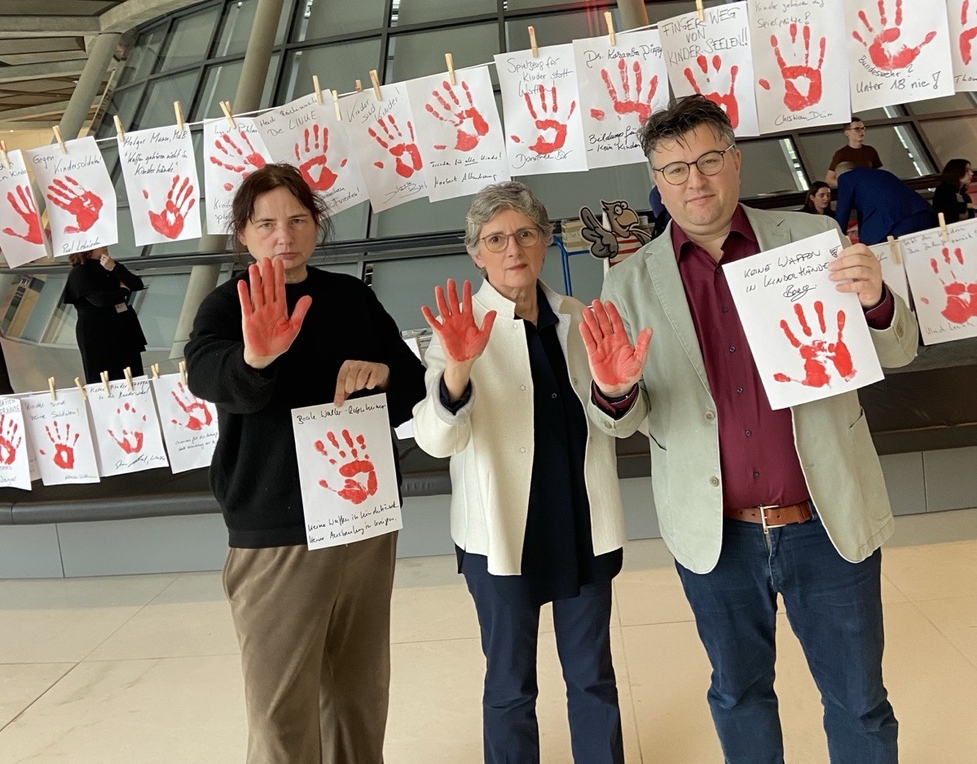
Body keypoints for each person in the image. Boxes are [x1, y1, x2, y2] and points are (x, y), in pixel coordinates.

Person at [580, 95, 917, 764]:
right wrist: (614, 391)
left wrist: (876, 300)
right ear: (656, 178)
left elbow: (899, 350)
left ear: (734, 161)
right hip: (715, 532)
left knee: (859, 701)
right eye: (673, 169)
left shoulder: (809, 242)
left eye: (708, 159)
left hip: (827, 518)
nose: (694, 181)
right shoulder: (627, 284)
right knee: (737, 695)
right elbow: (620, 421)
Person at [185, 164, 425, 764]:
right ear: (242, 234)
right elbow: (207, 375)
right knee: (281, 712)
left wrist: (386, 374)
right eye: (265, 223)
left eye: (296, 219)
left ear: (316, 225)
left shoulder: (350, 297)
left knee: (358, 696)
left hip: (363, 519)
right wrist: (256, 357)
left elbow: (414, 384)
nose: (283, 235)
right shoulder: (225, 305)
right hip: (278, 531)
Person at [412, 180, 627, 764]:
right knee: (510, 687)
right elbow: (435, 438)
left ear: (547, 240)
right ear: (476, 252)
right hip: (503, 534)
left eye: (526, 234)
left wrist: (619, 390)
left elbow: (616, 423)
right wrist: (457, 368)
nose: (514, 249)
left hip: (582, 524)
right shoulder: (457, 329)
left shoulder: (575, 317)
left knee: (594, 678)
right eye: (496, 239)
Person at [64, 247, 146, 383]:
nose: (106, 246)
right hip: (98, 333)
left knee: (133, 376)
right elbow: (99, 300)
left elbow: (137, 283)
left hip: (122, 327)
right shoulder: (79, 272)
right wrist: (123, 290)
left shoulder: (109, 265)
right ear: (88, 249)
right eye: (100, 244)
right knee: (106, 378)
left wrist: (114, 268)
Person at [834, 161, 934, 245]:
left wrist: (836, 239)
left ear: (838, 176)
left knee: (872, 253)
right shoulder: (880, 173)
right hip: (922, 213)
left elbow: (842, 212)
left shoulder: (845, 178)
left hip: (893, 224)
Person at [825, 117, 882, 186]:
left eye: (863, 128)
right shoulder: (841, 154)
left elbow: (876, 173)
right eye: (857, 129)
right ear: (847, 133)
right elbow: (829, 179)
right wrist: (848, 186)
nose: (862, 132)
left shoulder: (870, 150)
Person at [931, 158, 975, 224]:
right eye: (967, 170)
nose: (971, 173)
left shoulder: (965, 196)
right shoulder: (943, 190)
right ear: (957, 172)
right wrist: (969, 205)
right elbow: (948, 210)